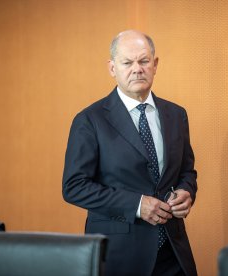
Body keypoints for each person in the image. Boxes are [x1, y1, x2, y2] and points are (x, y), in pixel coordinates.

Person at [62, 30, 198, 276]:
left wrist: (186, 191)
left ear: (155, 65)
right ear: (112, 68)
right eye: (127, 62)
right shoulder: (90, 120)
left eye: (144, 61)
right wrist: (136, 205)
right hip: (120, 255)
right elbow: (74, 186)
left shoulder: (177, 115)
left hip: (173, 253)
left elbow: (187, 170)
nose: (137, 69)